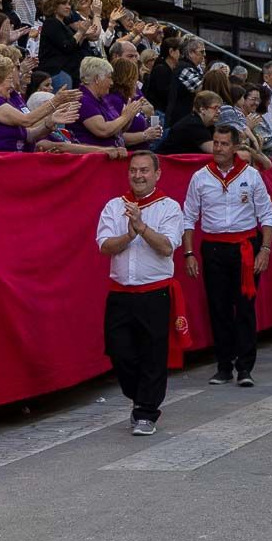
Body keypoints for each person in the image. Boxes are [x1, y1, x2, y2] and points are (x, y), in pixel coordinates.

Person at [97, 151, 186, 436]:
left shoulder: (169, 207)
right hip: (120, 293)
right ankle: (139, 397)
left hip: (155, 293)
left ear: (157, 174)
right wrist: (129, 235)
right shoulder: (114, 206)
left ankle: (147, 411)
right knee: (120, 353)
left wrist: (142, 227)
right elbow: (105, 246)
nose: (138, 176)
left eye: (144, 170)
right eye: (133, 170)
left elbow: (167, 247)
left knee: (152, 354)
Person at [182, 125, 272, 386]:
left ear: (235, 147)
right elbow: (188, 217)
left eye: (224, 144)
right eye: (215, 143)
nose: (218, 148)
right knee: (218, 308)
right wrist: (189, 253)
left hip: (245, 246)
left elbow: (267, 216)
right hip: (213, 248)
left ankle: (245, 368)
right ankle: (224, 366)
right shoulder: (200, 177)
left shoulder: (252, 176)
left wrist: (265, 250)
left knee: (245, 308)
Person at [0, 55, 80, 151]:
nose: (12, 85)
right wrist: (55, 101)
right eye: (9, 79)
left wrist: (49, 122)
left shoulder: (4, 100)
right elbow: (26, 120)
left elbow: (30, 136)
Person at [69, 57, 140, 148]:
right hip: (92, 158)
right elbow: (103, 130)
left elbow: (118, 130)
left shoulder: (102, 99)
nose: (111, 83)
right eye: (109, 78)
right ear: (97, 79)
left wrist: (129, 116)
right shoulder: (82, 100)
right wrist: (125, 116)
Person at [37, 0, 91, 90]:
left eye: (69, 4)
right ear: (54, 6)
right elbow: (66, 46)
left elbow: (73, 46)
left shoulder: (63, 24)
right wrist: (80, 32)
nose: (68, 7)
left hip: (67, 72)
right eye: (64, 4)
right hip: (57, 73)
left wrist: (83, 34)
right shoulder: (51, 23)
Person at [156, 90, 222, 155]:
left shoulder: (207, 124)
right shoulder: (193, 124)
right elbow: (216, 150)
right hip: (167, 162)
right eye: (215, 107)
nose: (219, 111)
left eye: (220, 108)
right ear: (202, 109)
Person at [166, 37, 206, 126]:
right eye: (202, 52)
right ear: (191, 53)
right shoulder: (185, 69)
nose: (205, 55)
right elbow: (202, 89)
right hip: (179, 121)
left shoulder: (189, 67)